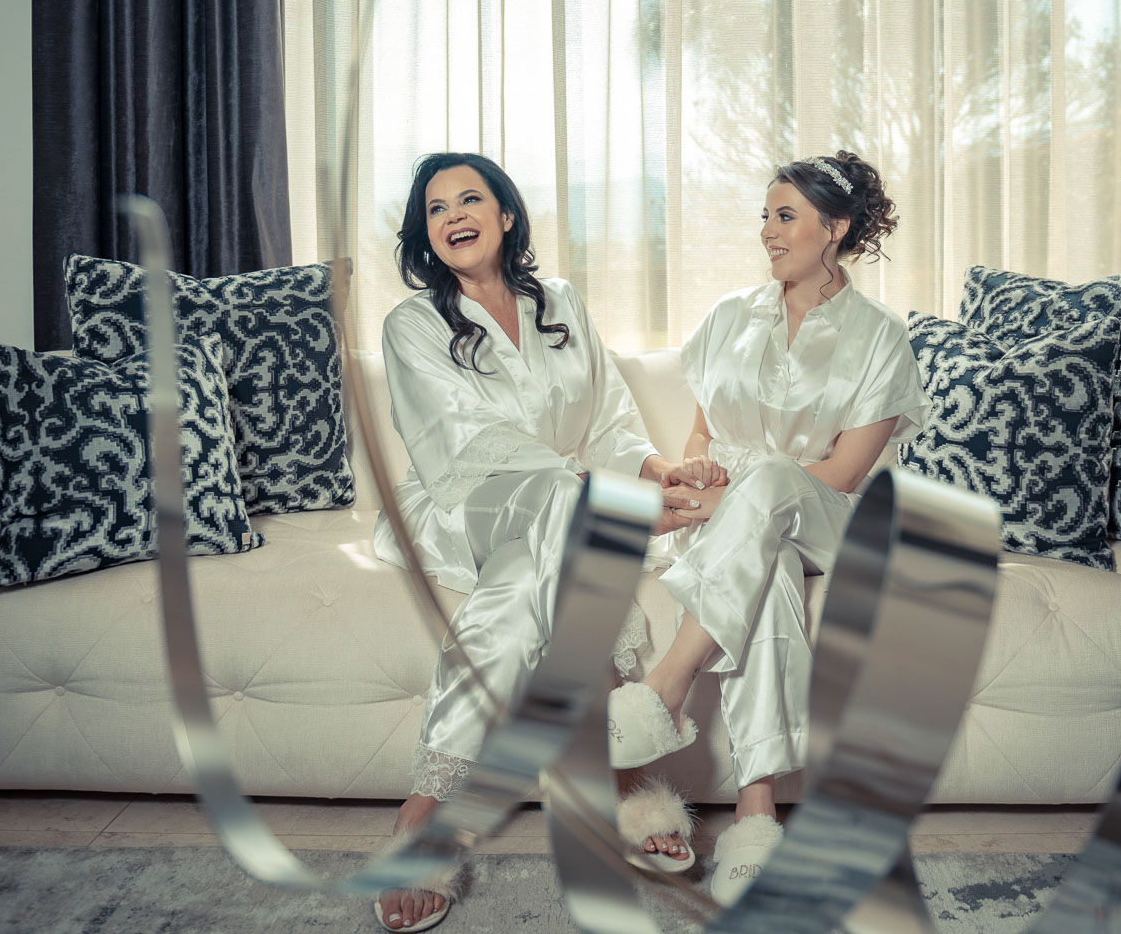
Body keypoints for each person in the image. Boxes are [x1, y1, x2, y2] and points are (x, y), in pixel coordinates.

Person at [371, 152, 694, 932]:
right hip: (464, 504)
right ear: (425, 232)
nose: (453, 216)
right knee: (561, 496)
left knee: (520, 597)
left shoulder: (561, 303)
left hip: (559, 516)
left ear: (505, 214)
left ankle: (424, 810)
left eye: (469, 199)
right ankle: (620, 771)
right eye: (436, 208)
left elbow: (608, 422)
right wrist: (599, 497)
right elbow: (461, 441)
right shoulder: (412, 325)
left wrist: (661, 472)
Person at [606, 150, 928, 905]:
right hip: (736, 527)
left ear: (834, 227)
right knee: (767, 565)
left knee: (779, 484)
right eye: (765, 216)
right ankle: (757, 818)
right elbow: (700, 436)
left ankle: (666, 685)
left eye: (785, 216)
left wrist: (732, 499)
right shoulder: (729, 316)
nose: (767, 232)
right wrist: (700, 471)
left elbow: (841, 475)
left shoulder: (881, 336)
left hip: (826, 518)